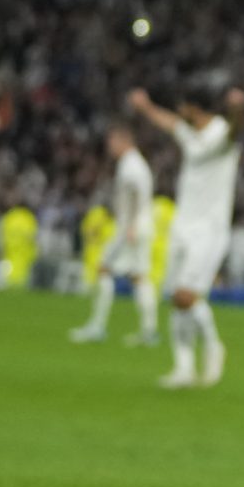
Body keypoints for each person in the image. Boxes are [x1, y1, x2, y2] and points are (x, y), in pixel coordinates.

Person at [130, 86, 244, 390]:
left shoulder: (221, 133)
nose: (180, 111)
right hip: (182, 225)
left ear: (195, 108)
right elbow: (169, 123)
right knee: (174, 298)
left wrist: (237, 110)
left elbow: (236, 132)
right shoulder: (189, 133)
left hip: (210, 229)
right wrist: (146, 106)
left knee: (186, 295)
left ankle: (213, 346)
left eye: (183, 106)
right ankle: (183, 368)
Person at [70, 127, 159, 345]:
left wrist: (131, 224)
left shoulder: (131, 165)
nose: (110, 147)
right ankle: (149, 330)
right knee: (139, 276)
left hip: (130, 227)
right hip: (139, 225)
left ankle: (97, 326)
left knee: (104, 268)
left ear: (123, 141)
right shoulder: (137, 163)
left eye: (112, 142)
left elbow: (137, 193)